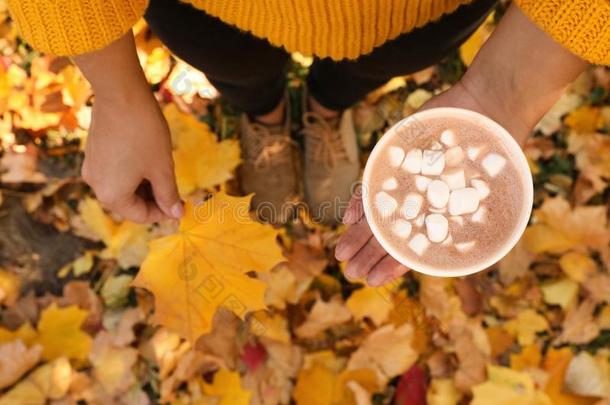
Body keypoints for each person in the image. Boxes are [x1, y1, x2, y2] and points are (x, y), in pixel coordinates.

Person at [8, 0, 608, 283]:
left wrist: (500, 98)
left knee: (373, 66)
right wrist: (115, 91)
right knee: (238, 69)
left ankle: (325, 110)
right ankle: (265, 117)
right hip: (209, 7)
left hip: (421, 8)